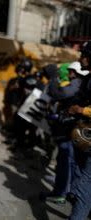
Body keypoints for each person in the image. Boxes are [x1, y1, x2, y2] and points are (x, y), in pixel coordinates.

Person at [41, 62, 88, 204]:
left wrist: (54, 77)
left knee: (67, 162)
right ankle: (63, 192)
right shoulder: (79, 83)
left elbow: (60, 93)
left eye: (71, 71)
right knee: (65, 162)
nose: (69, 73)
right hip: (68, 130)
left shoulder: (77, 83)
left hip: (71, 131)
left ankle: (63, 194)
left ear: (77, 72)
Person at [66, 41, 91, 220]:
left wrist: (82, 110)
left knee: (84, 185)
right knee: (80, 178)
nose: (80, 57)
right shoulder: (88, 79)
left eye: (83, 55)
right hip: (85, 136)